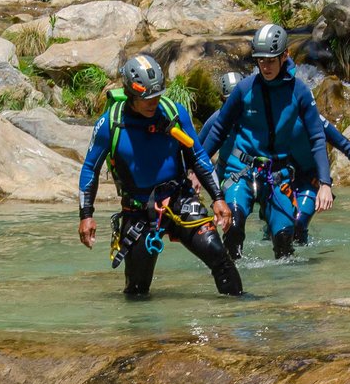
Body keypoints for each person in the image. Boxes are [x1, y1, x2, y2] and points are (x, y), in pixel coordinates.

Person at [78, 55, 241, 297]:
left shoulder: (174, 113)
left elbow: (198, 156)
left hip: (179, 199)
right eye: (147, 98)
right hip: (138, 210)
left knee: (219, 255)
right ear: (130, 94)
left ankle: (240, 316)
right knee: (137, 290)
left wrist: (217, 197)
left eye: (157, 95)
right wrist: (86, 215)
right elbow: (90, 168)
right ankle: (140, 335)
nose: (153, 102)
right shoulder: (109, 124)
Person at [198, 24, 333, 260]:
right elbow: (219, 130)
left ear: (285, 56)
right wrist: (194, 169)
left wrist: (325, 182)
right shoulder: (243, 89)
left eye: (271, 60)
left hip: (277, 174)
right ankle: (232, 282)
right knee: (234, 223)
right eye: (260, 60)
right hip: (240, 170)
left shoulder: (300, 92)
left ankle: (280, 295)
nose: (265, 66)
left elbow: (317, 137)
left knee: (284, 243)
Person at [211, 71, 350, 247]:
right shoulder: (267, 118)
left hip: (308, 180)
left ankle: (301, 267)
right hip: (279, 177)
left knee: (297, 228)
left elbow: (346, 146)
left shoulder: (312, 120)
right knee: (275, 232)